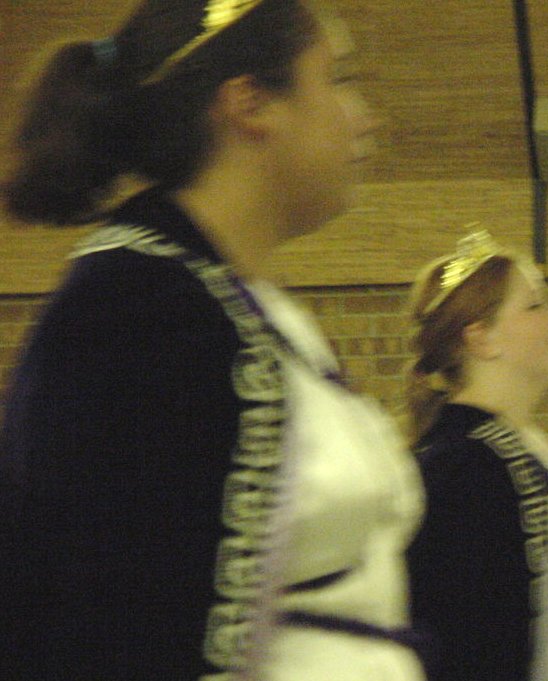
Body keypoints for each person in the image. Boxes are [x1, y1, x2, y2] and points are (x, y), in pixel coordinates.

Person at [0, 2, 426, 680]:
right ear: (249, 104)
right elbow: (98, 623)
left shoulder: (245, 309)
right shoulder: (132, 317)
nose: (364, 117)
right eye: (337, 79)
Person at [404, 230, 548, 681]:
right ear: (481, 339)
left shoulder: (519, 441)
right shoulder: (466, 465)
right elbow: (467, 644)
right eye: (535, 305)